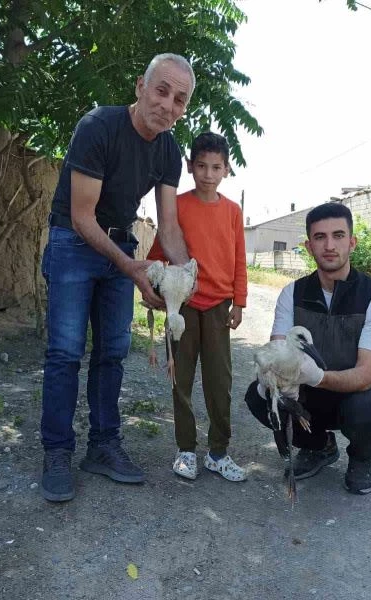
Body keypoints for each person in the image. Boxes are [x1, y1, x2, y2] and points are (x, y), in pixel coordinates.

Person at [39, 53, 195, 502]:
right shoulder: (97, 127)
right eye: (162, 90)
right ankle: (56, 452)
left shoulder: (169, 149)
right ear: (139, 87)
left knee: (113, 351)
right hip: (73, 240)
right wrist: (129, 266)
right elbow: (82, 216)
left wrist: (183, 279)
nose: (168, 105)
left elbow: (168, 226)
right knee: (65, 352)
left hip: (120, 245)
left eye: (179, 100)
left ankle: (103, 447)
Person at [244, 203, 371, 495]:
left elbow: (365, 375)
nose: (329, 245)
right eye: (320, 237)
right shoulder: (292, 294)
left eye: (338, 235)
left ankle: (363, 456)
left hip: (356, 394)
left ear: (352, 242)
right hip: (308, 395)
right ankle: (318, 446)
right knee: (260, 396)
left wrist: (317, 376)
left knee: (370, 406)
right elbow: (278, 357)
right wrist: (272, 380)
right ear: (308, 246)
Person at [147, 132, 248, 482]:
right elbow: (158, 253)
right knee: (182, 378)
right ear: (190, 166)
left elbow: (239, 260)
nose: (208, 173)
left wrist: (240, 302)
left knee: (220, 381)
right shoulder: (178, 208)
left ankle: (218, 453)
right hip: (183, 307)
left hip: (220, 306)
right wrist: (154, 290)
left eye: (216, 167)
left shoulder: (233, 212)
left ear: (226, 169)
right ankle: (186, 450)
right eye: (201, 166)